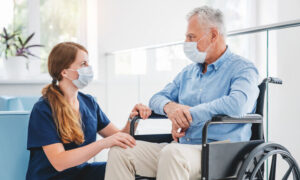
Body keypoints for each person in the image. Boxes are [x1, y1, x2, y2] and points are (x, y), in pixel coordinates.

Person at [105, 6, 259, 180]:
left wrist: (189, 114)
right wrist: (171, 108)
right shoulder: (188, 73)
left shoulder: (243, 68)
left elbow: (237, 104)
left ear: (214, 35)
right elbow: (156, 98)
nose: (186, 42)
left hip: (222, 152)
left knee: (173, 154)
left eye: (191, 37)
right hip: (182, 148)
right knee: (120, 151)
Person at [26, 42, 152, 180]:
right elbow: (59, 162)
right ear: (64, 72)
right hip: (52, 177)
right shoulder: (43, 109)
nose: (89, 68)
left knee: (127, 169)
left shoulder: (89, 103)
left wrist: (133, 119)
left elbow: (118, 136)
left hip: (80, 173)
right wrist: (103, 144)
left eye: (88, 63)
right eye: (83, 64)